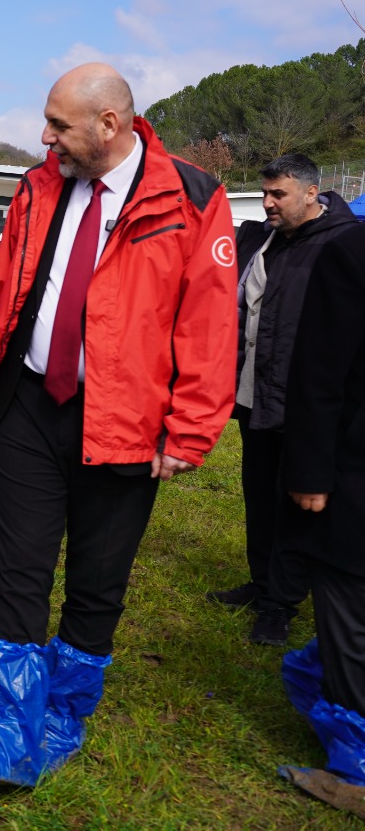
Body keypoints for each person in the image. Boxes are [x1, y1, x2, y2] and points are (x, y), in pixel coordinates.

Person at [0, 62, 235, 787]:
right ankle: (7, 729)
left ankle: (61, 716)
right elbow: (11, 284)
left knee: (97, 578)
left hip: (126, 422)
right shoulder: (40, 183)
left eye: (58, 124)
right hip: (29, 408)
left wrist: (191, 428)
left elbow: (209, 325)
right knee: (18, 565)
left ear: (109, 124)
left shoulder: (193, 197)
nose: (45, 137)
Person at [208, 153, 357, 647]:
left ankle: (282, 604)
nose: (268, 202)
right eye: (266, 193)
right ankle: (261, 581)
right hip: (254, 396)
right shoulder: (259, 239)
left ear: (313, 193)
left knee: (294, 501)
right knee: (259, 494)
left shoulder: (341, 245)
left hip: (307, 405)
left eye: (279, 195)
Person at [276, 222, 365, 806]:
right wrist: (309, 470)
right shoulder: (352, 256)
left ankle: (357, 771)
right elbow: (322, 369)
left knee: (351, 613)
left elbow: (319, 371)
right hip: (352, 472)